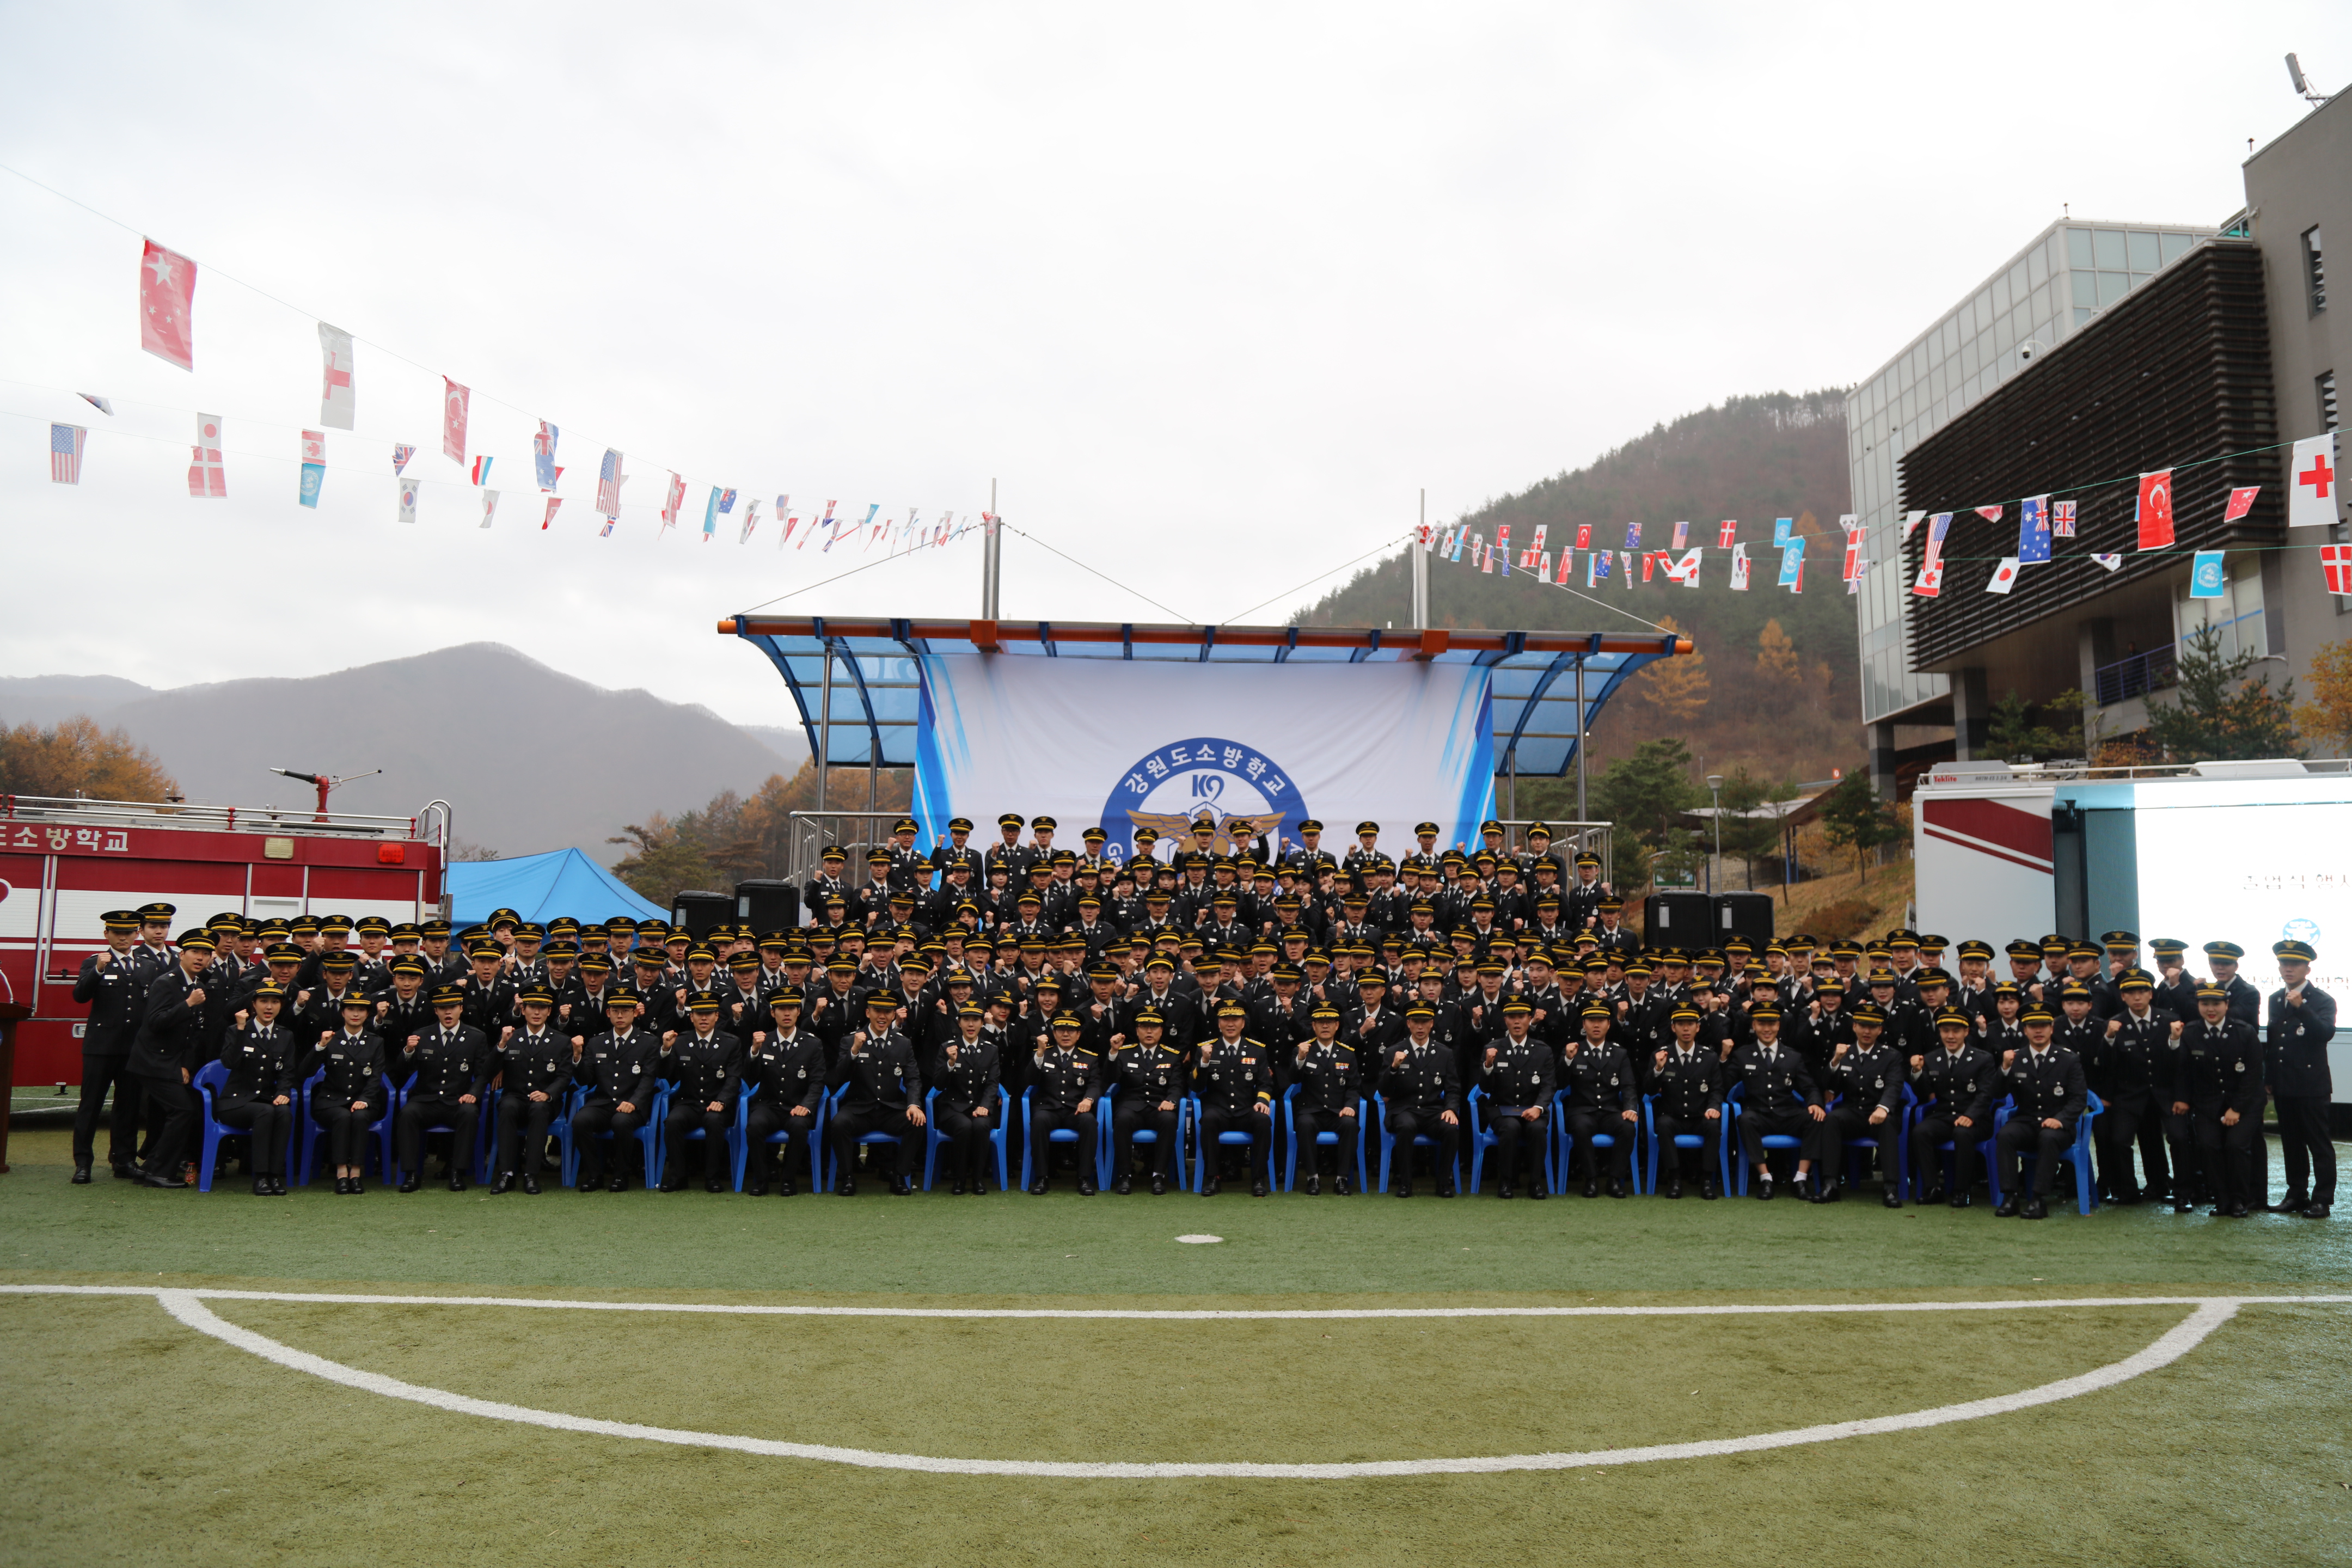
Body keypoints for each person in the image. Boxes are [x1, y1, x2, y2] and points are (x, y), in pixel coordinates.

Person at [125, 928, 222, 1190]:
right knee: (183, 1111)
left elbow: (194, 1033)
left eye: (206, 954)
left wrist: (185, 1065)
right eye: (195, 952)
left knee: (181, 1111)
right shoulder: (166, 982)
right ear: (182, 954)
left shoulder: (198, 986)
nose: (200, 958)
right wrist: (188, 1004)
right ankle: (157, 1171)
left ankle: (149, 1169)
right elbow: (155, 1022)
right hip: (151, 1061)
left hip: (172, 1063)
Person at [2173, 983, 2263, 1218]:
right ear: (2198, 1006)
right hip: (2207, 1104)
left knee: (2236, 1146)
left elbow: (2253, 1075)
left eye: (2216, 1004)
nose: (2210, 1009)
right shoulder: (2191, 1032)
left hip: (2245, 1103)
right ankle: (2222, 1201)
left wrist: (2237, 1108)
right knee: (2208, 1146)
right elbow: (2183, 1070)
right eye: (2205, 1004)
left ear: (2227, 1005)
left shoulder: (2245, 1031)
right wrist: (2182, 1099)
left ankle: (2240, 1201)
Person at [70, 910, 147, 1182]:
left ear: (137, 934)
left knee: (128, 1107)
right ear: (107, 934)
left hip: (132, 1049)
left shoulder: (147, 965)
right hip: (100, 1048)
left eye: (128, 932)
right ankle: (83, 1163)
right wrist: (98, 970)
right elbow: (80, 996)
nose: (123, 937)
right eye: (117, 932)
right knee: (90, 1106)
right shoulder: (94, 962)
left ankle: (124, 1160)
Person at [1993, 1005, 2088, 1220]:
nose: (2038, 1031)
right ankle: (2010, 1196)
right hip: (2027, 1122)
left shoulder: (2068, 1059)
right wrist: (2005, 1068)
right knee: (2005, 1135)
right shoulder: (2016, 1058)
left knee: (2048, 1137)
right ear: (2025, 1030)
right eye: (2032, 1026)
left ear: (2051, 1029)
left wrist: (2060, 1120)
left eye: (2043, 1026)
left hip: (2059, 1126)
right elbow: (1997, 1093)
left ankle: (2038, 1199)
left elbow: (2079, 1099)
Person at [826, 993, 926, 1195]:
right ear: (867, 1013)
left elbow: (913, 1079)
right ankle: (847, 1178)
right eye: (877, 1011)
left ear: (893, 1015)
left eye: (887, 1012)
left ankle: (899, 1177)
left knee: (917, 1122)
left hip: (890, 1109)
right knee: (839, 1124)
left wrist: (913, 1104)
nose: (882, 1016)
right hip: (860, 1109)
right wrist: (854, 1051)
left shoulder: (903, 1043)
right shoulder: (850, 1040)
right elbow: (838, 1078)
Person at [2265, 939, 2336, 1218]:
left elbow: (2325, 1034)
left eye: (2295, 964)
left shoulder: (2322, 1000)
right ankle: (2296, 1194)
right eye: (2284, 963)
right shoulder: (2275, 999)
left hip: (2311, 1085)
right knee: (2292, 1144)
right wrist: (2269, 1077)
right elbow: (2274, 1041)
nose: (2288, 968)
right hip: (2284, 1084)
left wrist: (2302, 1008)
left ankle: (2322, 1200)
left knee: (2319, 1144)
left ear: (2308, 968)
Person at [2087, 972, 2172, 1205]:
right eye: (2131, 993)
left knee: (2161, 1140)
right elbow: (2106, 1065)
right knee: (2120, 1141)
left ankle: (2162, 1186)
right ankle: (2128, 1190)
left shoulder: (2168, 1020)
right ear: (2123, 997)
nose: (2137, 997)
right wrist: (2109, 1037)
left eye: (2142, 992)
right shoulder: (2114, 1023)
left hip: (2161, 1093)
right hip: (2129, 1094)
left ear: (2151, 994)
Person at [394, 984, 489, 1192]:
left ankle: (457, 1172)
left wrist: (473, 1093)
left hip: (457, 1100)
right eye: (443, 1008)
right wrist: (408, 1051)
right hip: (426, 1100)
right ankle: (411, 1174)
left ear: (461, 1009)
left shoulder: (476, 1037)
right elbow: (402, 1071)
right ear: (435, 1011)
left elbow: (483, 1074)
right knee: (407, 1114)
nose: (448, 1013)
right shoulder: (422, 1035)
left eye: (452, 1007)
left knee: (469, 1114)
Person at [298, 991, 389, 1195]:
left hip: (364, 1101)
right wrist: (320, 1047)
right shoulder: (331, 1039)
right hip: (331, 1102)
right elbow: (304, 1072)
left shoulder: (376, 1042)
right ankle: (341, 1173)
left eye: (361, 1010)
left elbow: (376, 1076)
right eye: (351, 1009)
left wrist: (365, 1099)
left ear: (367, 1014)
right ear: (342, 1013)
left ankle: (355, 1173)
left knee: (360, 1117)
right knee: (342, 1116)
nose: (355, 1014)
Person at [214, 982, 301, 1195]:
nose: (269, 1007)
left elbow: (288, 1071)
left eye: (275, 1002)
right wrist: (241, 1030)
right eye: (263, 1001)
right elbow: (229, 1062)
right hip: (235, 1102)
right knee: (266, 1111)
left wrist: (283, 1093)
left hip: (266, 1100)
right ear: (254, 1004)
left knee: (284, 1113)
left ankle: (274, 1175)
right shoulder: (237, 1030)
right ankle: (260, 1177)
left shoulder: (285, 1035)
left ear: (281, 1006)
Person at [1816, 1002, 1904, 1206]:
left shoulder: (1891, 1056)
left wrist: (1883, 1108)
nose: (1867, 1031)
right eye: (1863, 1026)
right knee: (1832, 1120)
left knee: (1888, 1124)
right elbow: (1829, 1085)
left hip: (1879, 1113)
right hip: (1853, 1113)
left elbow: (1894, 1086)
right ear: (1854, 1026)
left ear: (1880, 1030)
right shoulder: (1844, 1053)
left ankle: (1891, 1188)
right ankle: (1830, 1184)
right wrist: (1835, 1062)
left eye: (1872, 1027)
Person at [1728, 1004, 1821, 1199]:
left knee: (1815, 1118)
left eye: (1771, 1024)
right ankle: (1766, 1178)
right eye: (1762, 1024)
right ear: (1754, 1025)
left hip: (1787, 1114)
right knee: (1745, 1120)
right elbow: (1727, 1085)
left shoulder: (1793, 1056)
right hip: (1758, 1115)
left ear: (1779, 1026)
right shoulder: (1742, 1054)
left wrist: (1815, 1103)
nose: (1767, 1029)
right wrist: (1723, 1058)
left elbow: (1809, 1087)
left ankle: (1800, 1179)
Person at [491, 985, 573, 1195]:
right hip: (515, 1096)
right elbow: (488, 1070)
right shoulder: (511, 1037)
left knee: (539, 1109)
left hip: (546, 1101)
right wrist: (501, 1045)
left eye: (542, 1008)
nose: (537, 1012)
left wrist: (547, 1094)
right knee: (507, 1107)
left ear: (549, 1011)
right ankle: (507, 1173)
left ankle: (531, 1175)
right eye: (532, 1007)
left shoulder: (561, 1041)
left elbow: (564, 1077)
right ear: (523, 1009)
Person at [658, 991, 743, 1193]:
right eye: (699, 1014)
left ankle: (712, 1178)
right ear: (691, 1017)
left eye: (709, 1014)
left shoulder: (731, 1042)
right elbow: (664, 1075)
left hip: (717, 1103)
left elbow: (734, 1079)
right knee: (672, 1122)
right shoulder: (680, 1041)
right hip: (689, 1102)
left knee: (714, 1121)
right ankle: (678, 1177)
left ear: (717, 1016)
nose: (704, 1018)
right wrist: (666, 1050)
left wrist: (722, 1101)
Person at [742, 993, 826, 1195]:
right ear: (773, 1013)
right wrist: (754, 1051)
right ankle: (761, 1179)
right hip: (768, 1105)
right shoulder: (763, 1041)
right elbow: (750, 1078)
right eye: (781, 1009)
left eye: (791, 1009)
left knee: (799, 1127)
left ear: (799, 1012)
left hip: (797, 1105)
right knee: (754, 1126)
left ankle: (789, 1180)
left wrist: (806, 1106)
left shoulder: (812, 1044)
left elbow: (818, 1082)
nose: (786, 1013)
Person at [1191, 999, 1275, 1196]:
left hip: (1246, 1110)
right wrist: (1204, 1062)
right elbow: (1195, 1086)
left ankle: (1258, 1179)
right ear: (1219, 1023)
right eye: (1226, 1019)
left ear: (1243, 1023)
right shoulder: (1206, 1049)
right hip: (1218, 1110)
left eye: (1235, 1019)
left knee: (1263, 1121)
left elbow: (1265, 1083)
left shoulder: (1257, 1050)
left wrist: (1262, 1101)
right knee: (1208, 1120)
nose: (1230, 1024)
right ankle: (1213, 1178)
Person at [1103, 1008, 1188, 1195]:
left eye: (1154, 1027)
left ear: (1162, 1031)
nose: (1149, 1031)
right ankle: (1125, 1176)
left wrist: (1172, 1100)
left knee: (1169, 1120)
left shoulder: (1172, 1055)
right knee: (1122, 1120)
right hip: (1131, 1106)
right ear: (1137, 1030)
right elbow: (1110, 1080)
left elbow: (1177, 1085)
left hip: (1159, 1106)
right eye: (1144, 1027)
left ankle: (1158, 1176)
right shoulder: (1124, 1052)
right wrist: (1113, 1053)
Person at [1380, 1003, 1461, 1197]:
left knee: (1451, 1129)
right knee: (1406, 1126)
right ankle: (1405, 1183)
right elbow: (1383, 1090)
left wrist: (1451, 1109)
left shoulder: (1444, 1053)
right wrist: (1394, 1068)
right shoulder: (1393, 1052)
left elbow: (1453, 1089)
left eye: (1424, 1022)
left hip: (1432, 1111)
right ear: (1408, 1024)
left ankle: (1444, 1184)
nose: (1420, 1027)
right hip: (1404, 1109)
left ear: (1432, 1024)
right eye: (1416, 1022)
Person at [1477, 998, 1553, 1198]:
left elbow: (1548, 1086)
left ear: (1530, 1019)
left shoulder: (1543, 1050)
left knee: (1537, 1129)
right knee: (1510, 1128)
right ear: (1505, 1021)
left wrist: (1538, 1107)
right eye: (1512, 1017)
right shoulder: (1493, 1048)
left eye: (1521, 1017)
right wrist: (1488, 1065)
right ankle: (1506, 1181)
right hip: (1502, 1109)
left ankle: (1535, 1183)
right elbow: (1485, 1088)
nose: (1517, 1022)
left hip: (1532, 1109)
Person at [1560, 1002, 1637, 1197]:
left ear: (1609, 1025)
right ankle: (1591, 1179)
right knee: (1581, 1128)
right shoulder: (1573, 1050)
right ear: (1583, 1024)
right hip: (1582, 1112)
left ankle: (1615, 1180)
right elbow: (1559, 1083)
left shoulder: (1619, 1053)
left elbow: (1628, 1086)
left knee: (1628, 1128)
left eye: (1601, 1021)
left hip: (1610, 1111)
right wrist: (1567, 1060)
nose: (1596, 1025)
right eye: (1591, 1020)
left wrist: (1630, 1108)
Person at [1649, 1004, 1723, 1199]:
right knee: (1663, 1125)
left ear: (1698, 1027)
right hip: (1673, 1115)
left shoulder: (1709, 1057)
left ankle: (1707, 1180)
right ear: (1673, 1028)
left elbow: (1717, 1089)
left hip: (1700, 1115)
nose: (1686, 1029)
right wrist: (1658, 1069)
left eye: (1690, 1024)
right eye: (1681, 1024)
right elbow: (1649, 1090)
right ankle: (1675, 1179)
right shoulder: (1662, 1055)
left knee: (1713, 1126)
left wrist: (1714, 1107)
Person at [929, 1003, 1002, 1194]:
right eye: (966, 1020)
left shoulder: (991, 1050)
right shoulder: (947, 1048)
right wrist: (950, 1064)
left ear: (982, 1024)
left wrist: (985, 1106)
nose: (971, 1025)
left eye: (976, 1020)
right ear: (959, 1023)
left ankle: (978, 1179)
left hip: (980, 1107)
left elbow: (993, 1083)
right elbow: (938, 1085)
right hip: (952, 1109)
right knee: (963, 1126)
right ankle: (960, 1179)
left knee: (981, 1126)